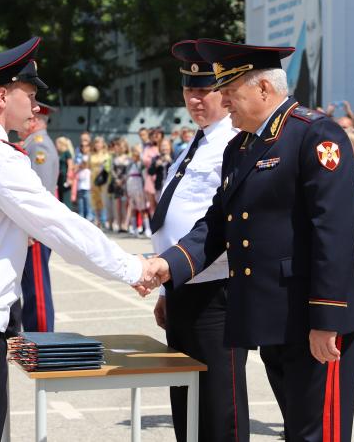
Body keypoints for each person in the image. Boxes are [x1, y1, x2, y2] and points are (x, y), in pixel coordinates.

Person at [0, 37, 161, 441]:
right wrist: (132, 268)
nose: (37, 106)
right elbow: (62, 227)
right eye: (30, 94)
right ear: (2, 96)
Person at [146, 39, 354, 442]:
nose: (224, 102)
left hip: (313, 317)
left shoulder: (315, 135)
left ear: (264, 89)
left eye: (230, 92)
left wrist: (327, 320)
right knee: (297, 431)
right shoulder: (241, 147)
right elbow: (217, 224)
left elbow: (333, 235)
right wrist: (168, 265)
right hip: (272, 318)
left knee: (319, 434)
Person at [150, 41, 247, 442]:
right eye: (189, 90)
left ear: (224, 92)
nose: (195, 99)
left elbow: (222, 223)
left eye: (204, 90)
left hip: (215, 292)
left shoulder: (233, 143)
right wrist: (166, 289)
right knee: (186, 403)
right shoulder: (196, 143)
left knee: (219, 408)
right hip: (182, 287)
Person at [17, 102, 59, 332]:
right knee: (31, 286)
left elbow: (40, 194)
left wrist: (31, 229)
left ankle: (43, 339)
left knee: (37, 289)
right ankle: (37, 336)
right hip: (34, 227)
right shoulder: (33, 144)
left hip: (36, 229)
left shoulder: (38, 145)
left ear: (34, 120)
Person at [55, 136, 75, 209]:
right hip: (60, 177)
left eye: (57, 143)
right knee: (60, 197)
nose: (56, 145)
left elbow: (70, 165)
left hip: (65, 178)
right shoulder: (60, 153)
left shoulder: (67, 153)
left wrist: (69, 177)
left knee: (66, 197)